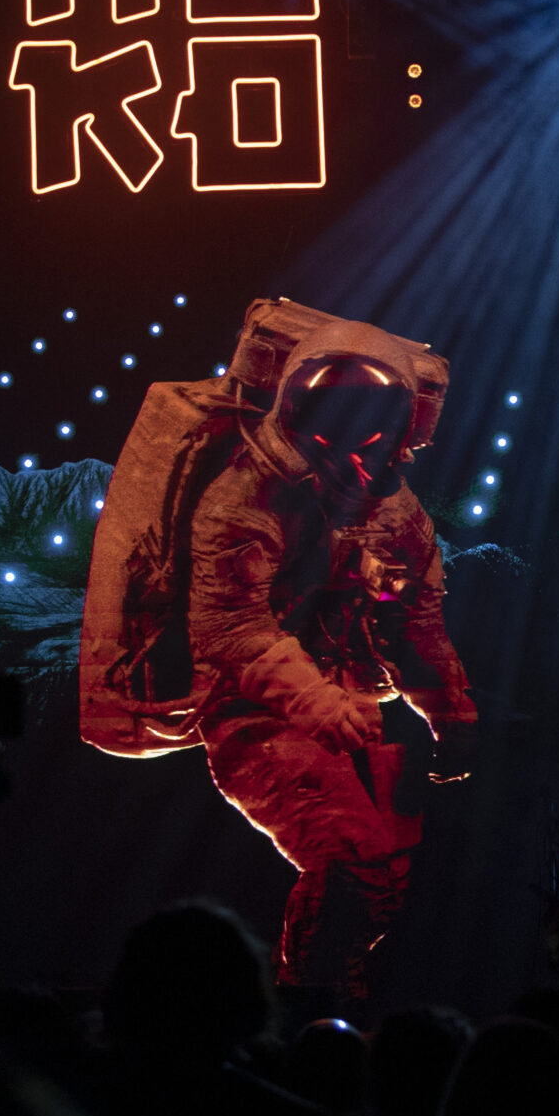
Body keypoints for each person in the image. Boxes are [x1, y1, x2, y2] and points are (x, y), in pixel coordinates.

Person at [186, 319, 478, 998]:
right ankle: (303, 1008)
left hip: (351, 712)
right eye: (336, 413)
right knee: (352, 859)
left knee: (383, 879)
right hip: (254, 714)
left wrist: (453, 716)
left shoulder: (398, 517)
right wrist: (321, 703)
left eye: (373, 416)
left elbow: (415, 625)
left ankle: (325, 999)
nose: (354, 435)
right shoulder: (244, 499)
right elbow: (231, 629)